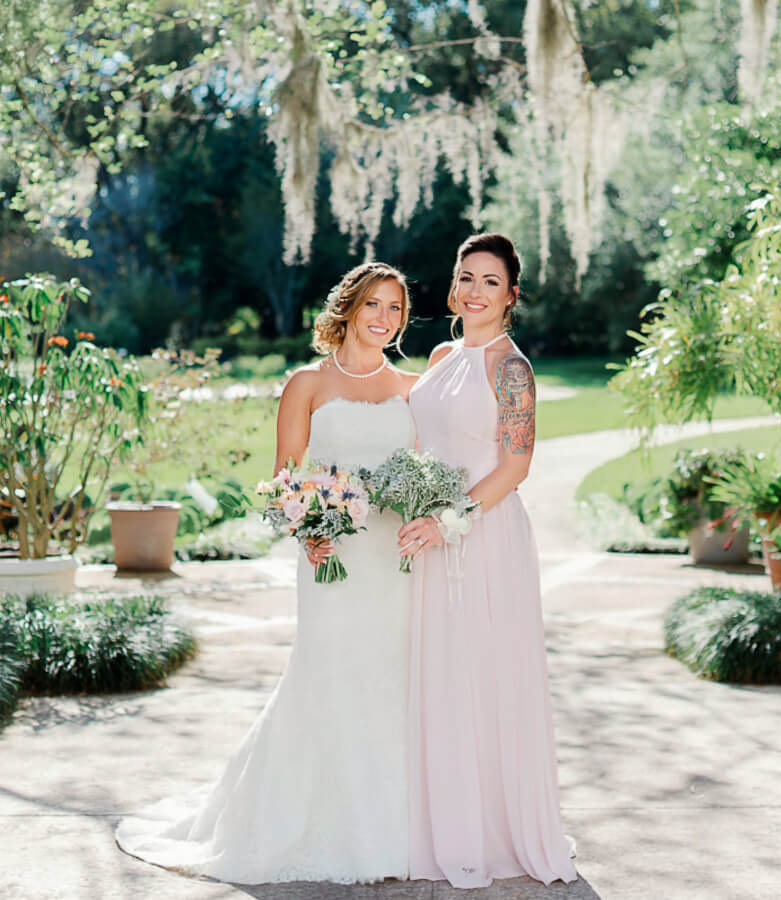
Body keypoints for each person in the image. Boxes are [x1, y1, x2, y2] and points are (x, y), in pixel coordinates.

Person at [116, 262, 418, 885]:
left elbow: (423, 468)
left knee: (391, 681)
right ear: (348, 308)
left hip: (395, 562)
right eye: (374, 304)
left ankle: (394, 823)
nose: (384, 318)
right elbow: (286, 475)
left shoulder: (412, 387)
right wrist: (310, 530)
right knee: (327, 674)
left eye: (395, 308)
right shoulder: (307, 383)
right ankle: (306, 821)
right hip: (332, 559)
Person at [399, 233, 578, 889]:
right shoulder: (442, 355)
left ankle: (489, 829)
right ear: (454, 285)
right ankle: (436, 820)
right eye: (467, 277)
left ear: (511, 296)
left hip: (483, 536)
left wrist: (448, 521)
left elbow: (515, 466)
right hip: (427, 534)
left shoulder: (511, 369)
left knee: (482, 674)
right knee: (437, 675)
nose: (475, 291)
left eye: (490, 282)